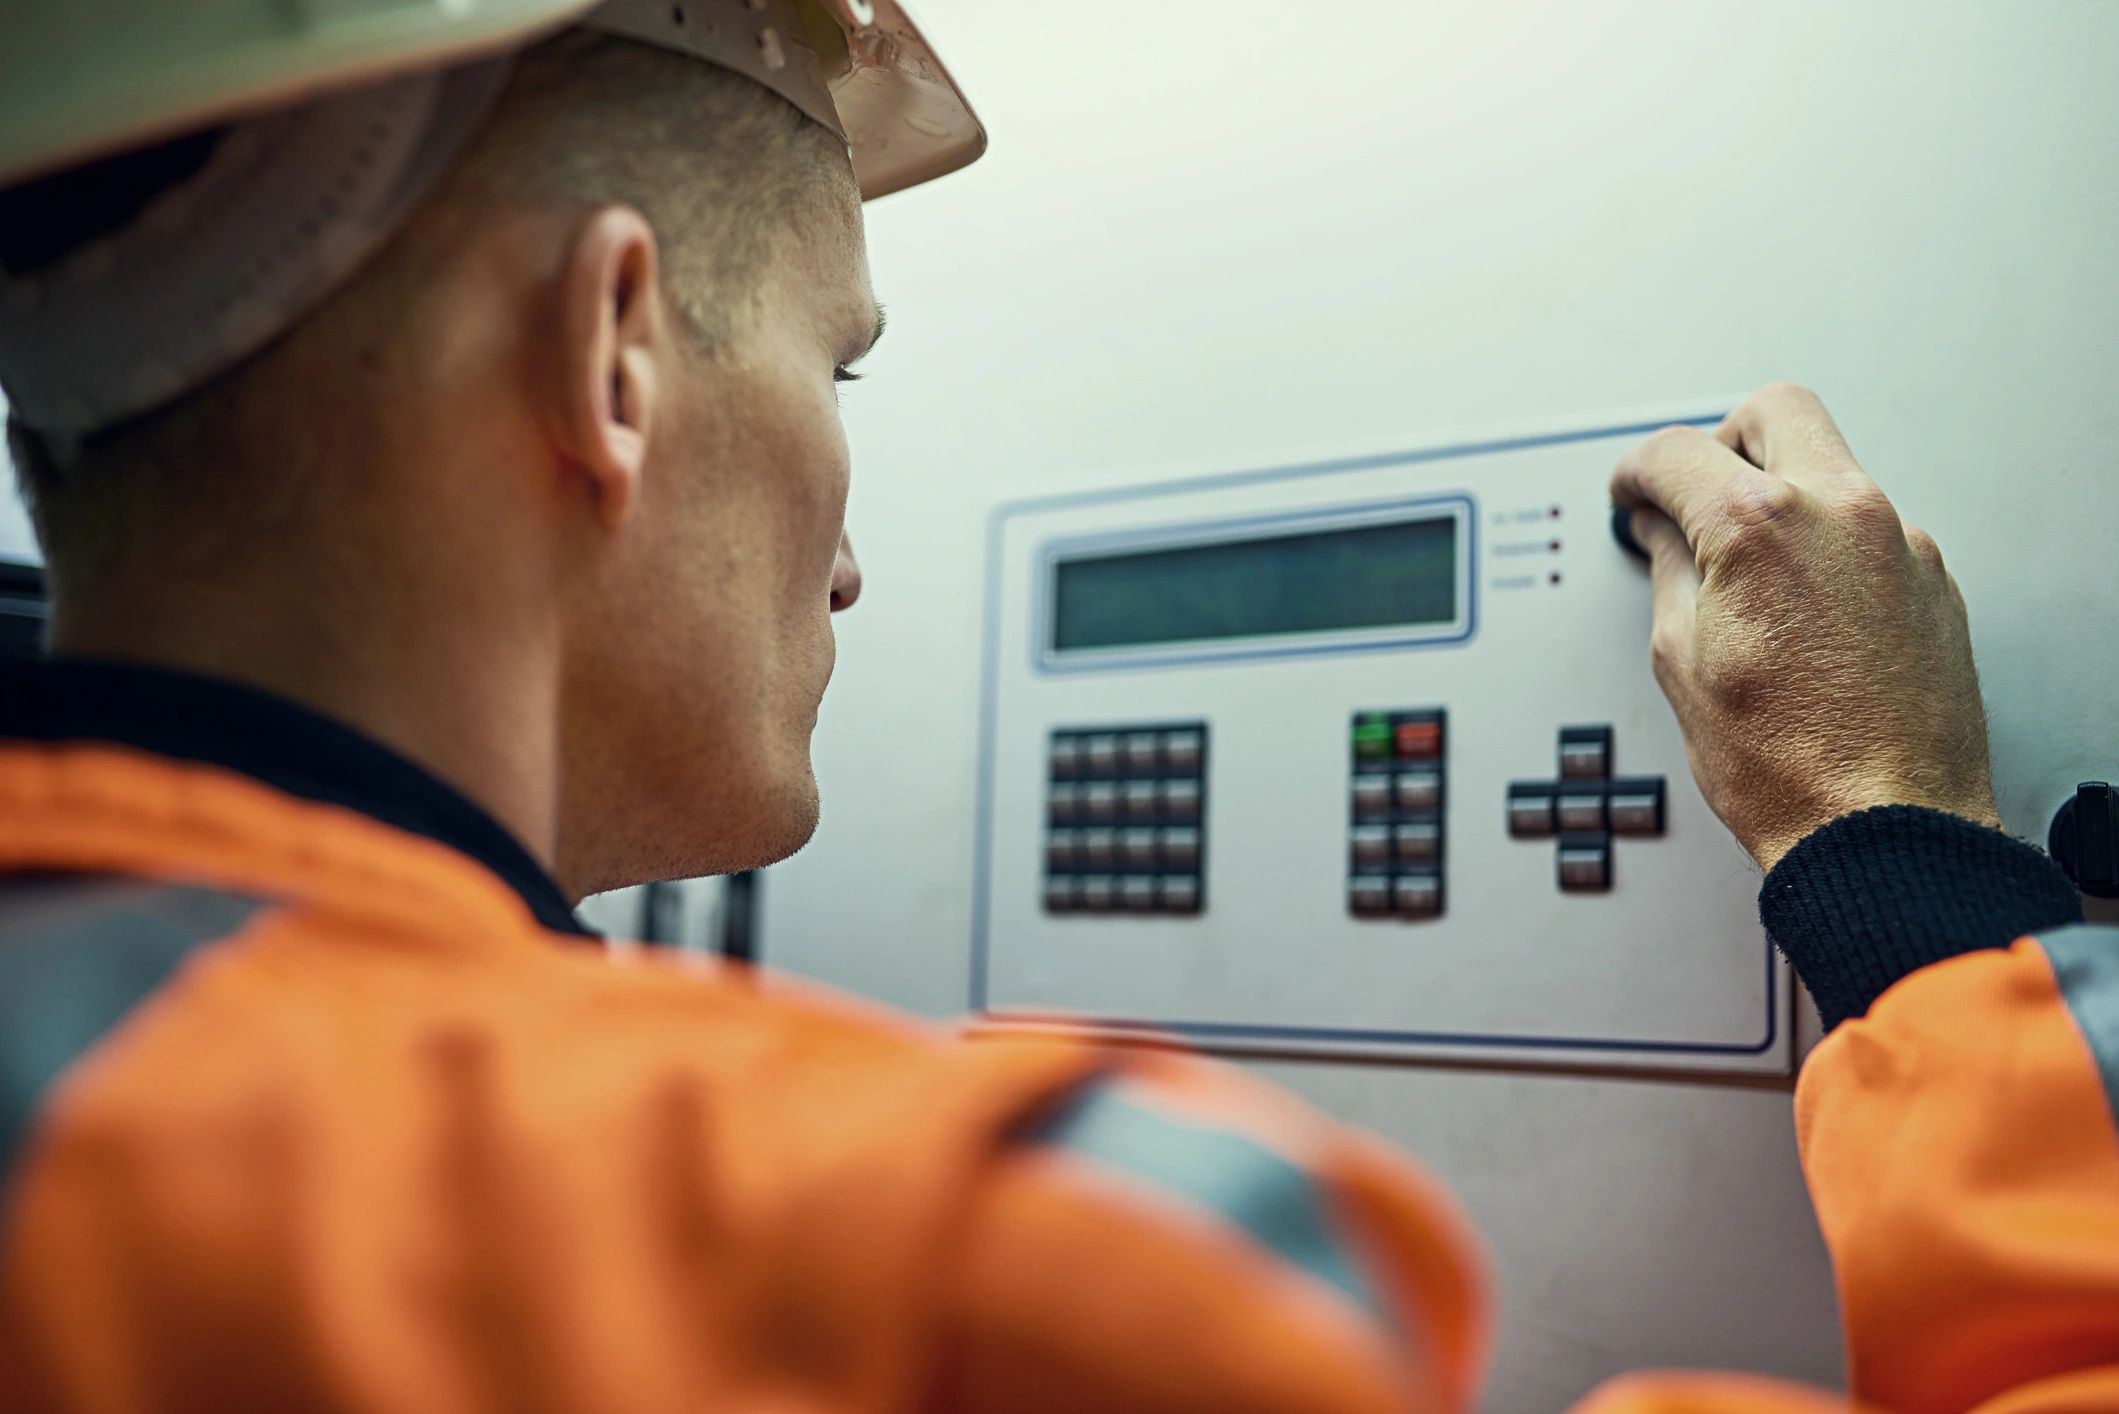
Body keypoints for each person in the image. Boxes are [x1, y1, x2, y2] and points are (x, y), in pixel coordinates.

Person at [0, 2, 2107, 1409]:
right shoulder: (961, 1267)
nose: (845, 561)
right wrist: (1903, 865)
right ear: (613, 351)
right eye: (839, 375)